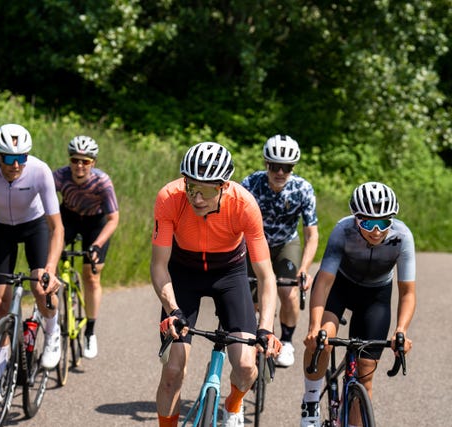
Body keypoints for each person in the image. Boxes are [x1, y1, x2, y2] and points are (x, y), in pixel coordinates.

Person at [151, 141, 282, 427]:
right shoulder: (169, 198)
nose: (197, 198)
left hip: (229, 272)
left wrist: (266, 328)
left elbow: (266, 276)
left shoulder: (244, 204)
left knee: (247, 365)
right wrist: (172, 310)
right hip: (184, 271)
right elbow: (159, 267)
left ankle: (233, 404)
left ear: (224, 186)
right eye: (191, 187)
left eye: (207, 190)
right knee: (173, 370)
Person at [0, 123, 64, 402]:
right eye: (9, 158)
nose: (16, 165)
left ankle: (53, 334)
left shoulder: (39, 170)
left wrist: (51, 269)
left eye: (22, 158)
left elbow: (57, 227)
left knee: (41, 286)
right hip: (0, 230)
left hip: (34, 227)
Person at [299, 181, 415, 427]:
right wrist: (313, 325)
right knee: (323, 338)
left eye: (383, 223)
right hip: (340, 286)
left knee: (365, 375)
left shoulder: (402, 237)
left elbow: (407, 292)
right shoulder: (343, 231)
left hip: (375, 296)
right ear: (355, 219)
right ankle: (310, 401)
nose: (375, 230)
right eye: (367, 223)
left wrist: (401, 330)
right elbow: (324, 282)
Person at [241, 134, 319, 367]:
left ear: (293, 167)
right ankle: (254, 334)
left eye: (286, 167)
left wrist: (304, 269)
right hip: (255, 243)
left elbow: (311, 234)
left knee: (289, 292)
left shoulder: (303, 189)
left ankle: (286, 341)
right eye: (275, 166)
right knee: (252, 298)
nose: (280, 173)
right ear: (267, 164)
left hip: (286, 242)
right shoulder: (251, 184)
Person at [53, 135, 119, 359]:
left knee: (91, 276)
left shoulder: (102, 182)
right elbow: (45, 205)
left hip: (96, 222)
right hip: (69, 218)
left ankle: (90, 331)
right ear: (69, 160)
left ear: (94, 163)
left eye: (86, 161)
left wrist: (97, 245)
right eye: (75, 160)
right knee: (50, 260)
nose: (79, 165)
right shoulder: (59, 177)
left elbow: (113, 219)